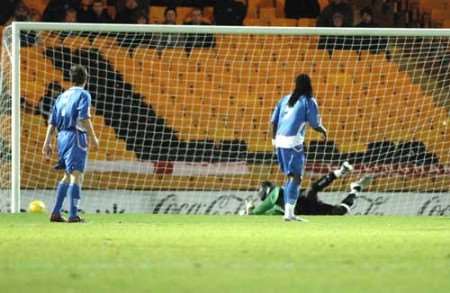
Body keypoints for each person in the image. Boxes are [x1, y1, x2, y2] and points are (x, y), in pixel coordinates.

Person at [42, 65, 99, 223]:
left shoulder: (62, 96)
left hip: (62, 137)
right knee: (76, 176)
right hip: (75, 136)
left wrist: (47, 143)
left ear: (71, 80)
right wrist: (93, 137)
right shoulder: (84, 94)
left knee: (67, 175)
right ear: (85, 80)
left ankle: (55, 212)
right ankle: (73, 215)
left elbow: (52, 121)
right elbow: (84, 117)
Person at [271, 74, 327, 221]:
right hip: (292, 142)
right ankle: (289, 214)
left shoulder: (284, 99)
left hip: (279, 141)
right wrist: (323, 130)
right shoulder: (308, 101)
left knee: (291, 176)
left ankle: (288, 213)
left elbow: (274, 121)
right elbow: (314, 124)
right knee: (296, 177)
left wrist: (273, 140)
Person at [244, 162, 373, 216]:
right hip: (306, 211)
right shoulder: (273, 208)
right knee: (340, 211)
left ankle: (339, 172)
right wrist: (250, 211)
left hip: (301, 200)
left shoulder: (275, 193)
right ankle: (356, 188)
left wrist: (251, 212)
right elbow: (267, 214)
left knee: (311, 190)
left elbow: (261, 210)